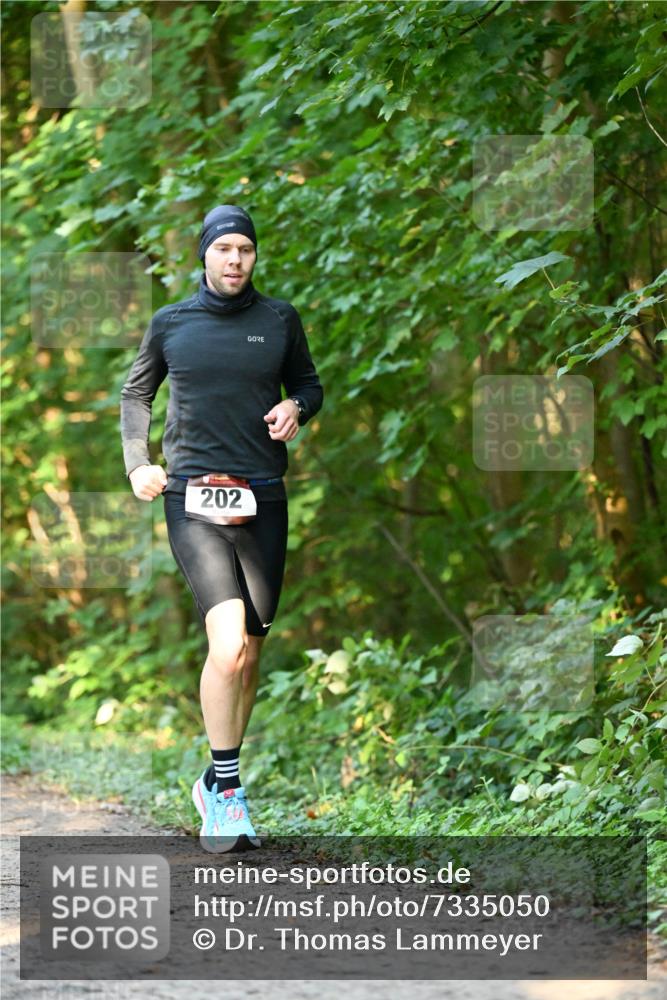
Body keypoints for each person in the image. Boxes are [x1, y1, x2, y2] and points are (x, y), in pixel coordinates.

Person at [119, 204, 323, 852]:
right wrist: (138, 465)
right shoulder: (171, 323)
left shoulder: (278, 319)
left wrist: (296, 406)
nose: (234, 260)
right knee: (228, 646)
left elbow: (310, 385)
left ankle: (215, 776)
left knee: (252, 652)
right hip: (193, 500)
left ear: (254, 257)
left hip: (263, 497)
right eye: (223, 249)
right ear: (203, 254)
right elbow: (135, 395)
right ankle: (229, 796)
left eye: (245, 250)